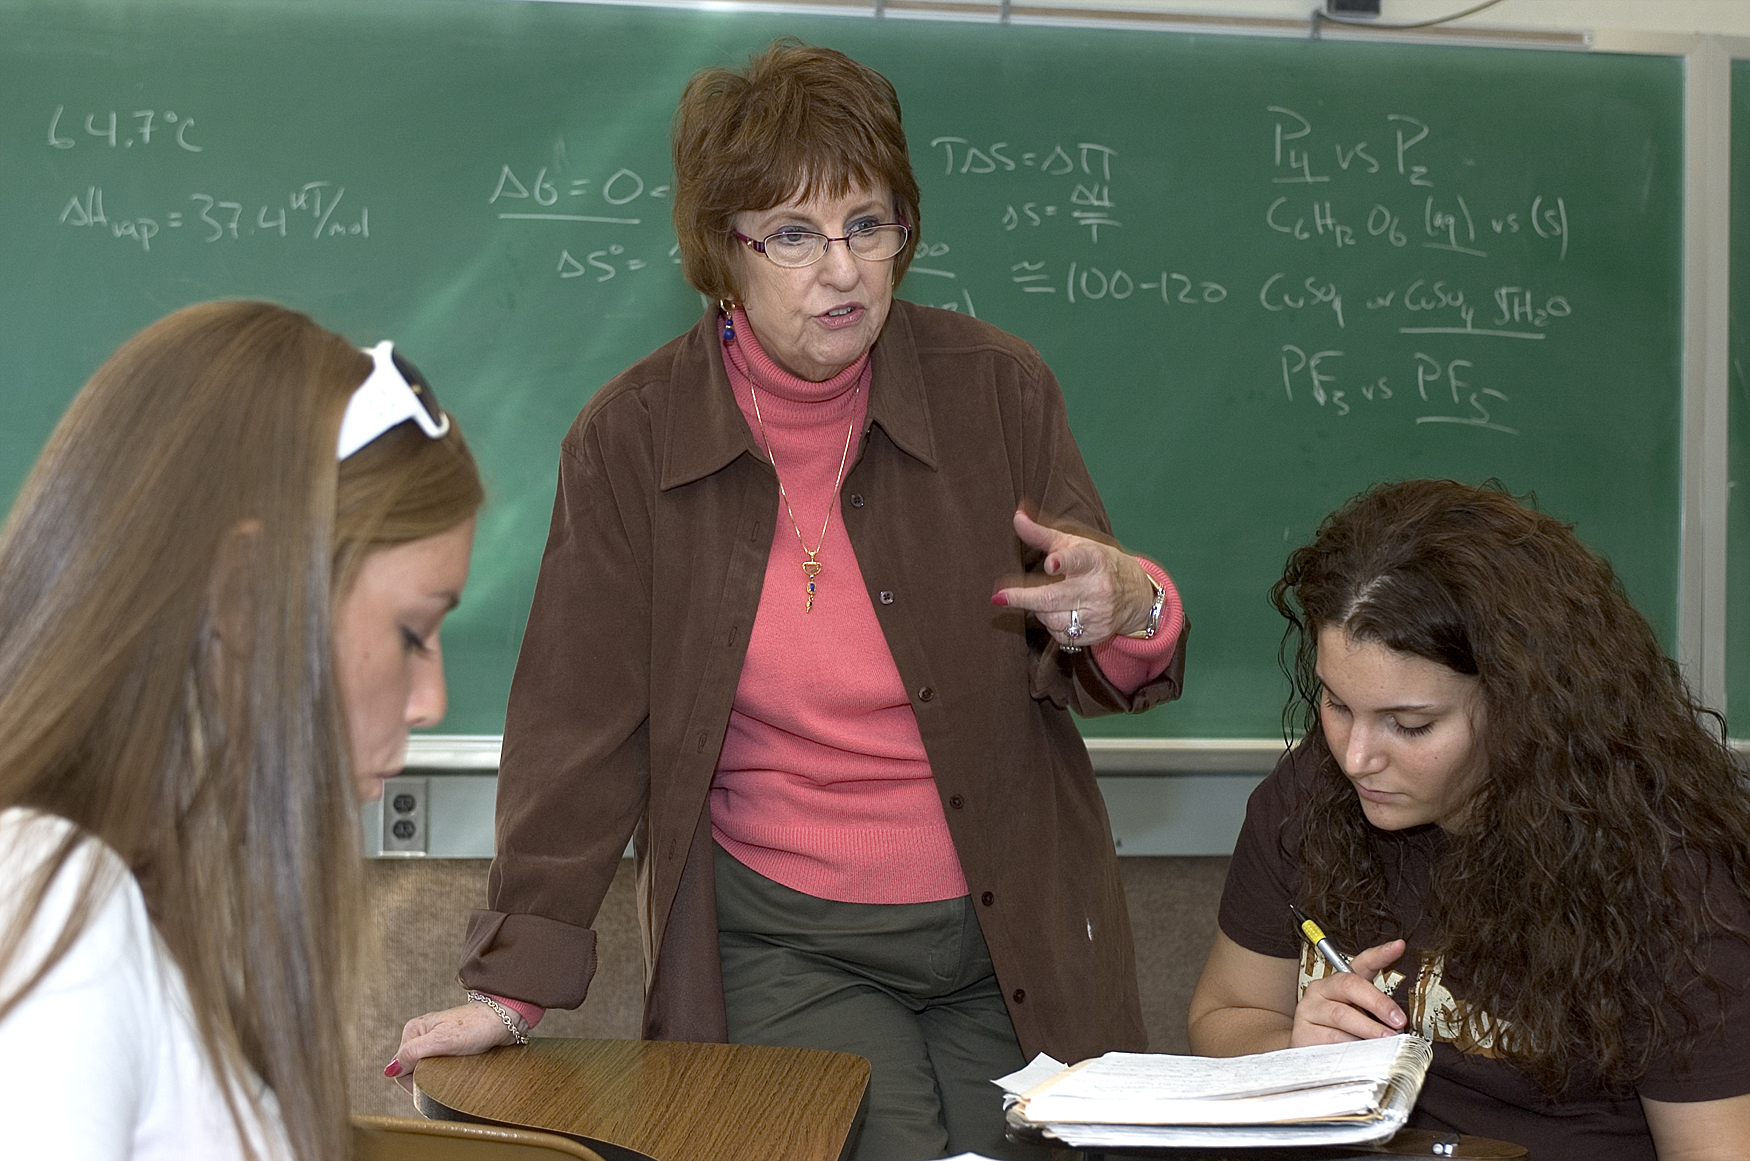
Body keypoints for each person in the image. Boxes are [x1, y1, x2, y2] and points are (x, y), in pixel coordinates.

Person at [389, 39, 1186, 1161]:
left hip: (1015, 927)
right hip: (786, 943)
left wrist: (1136, 607)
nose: (843, 271)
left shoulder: (999, 389)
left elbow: (1100, 638)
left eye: (869, 225)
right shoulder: (630, 439)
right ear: (725, 250)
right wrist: (514, 987)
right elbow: (577, 728)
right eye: (796, 235)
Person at [0, 300, 483, 1161]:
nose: (432, 699)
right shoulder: (55, 903)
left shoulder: (178, 896)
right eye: (414, 632)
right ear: (246, 595)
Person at [1187, 479, 1750, 1160]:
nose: (1357, 757)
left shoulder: (1669, 879)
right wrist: (1295, 1051)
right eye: (1336, 705)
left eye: (1409, 724)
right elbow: (1226, 1016)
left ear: (1524, 706)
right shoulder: (1310, 794)